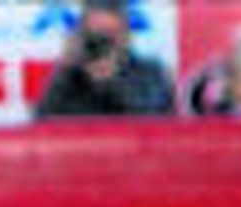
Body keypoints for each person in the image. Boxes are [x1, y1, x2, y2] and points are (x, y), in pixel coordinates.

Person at [34, 0, 174, 119]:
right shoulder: (70, 75)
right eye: (96, 35)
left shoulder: (150, 72)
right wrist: (65, 71)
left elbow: (155, 122)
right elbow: (43, 124)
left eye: (110, 35)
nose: (102, 44)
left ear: (126, 37)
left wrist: (113, 81)